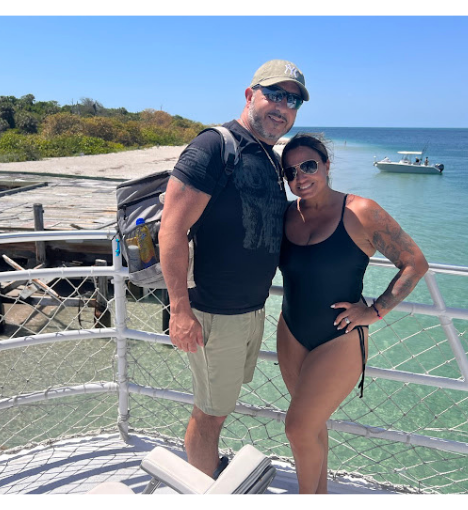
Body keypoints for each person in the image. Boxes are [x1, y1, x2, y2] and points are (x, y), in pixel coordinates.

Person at [158, 60, 310, 478]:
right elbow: (171, 228)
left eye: (292, 99)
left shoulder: (267, 155)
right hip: (213, 314)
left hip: (250, 311)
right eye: (274, 95)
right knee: (210, 414)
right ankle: (204, 482)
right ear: (249, 95)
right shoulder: (214, 146)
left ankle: (205, 468)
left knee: (218, 405)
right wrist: (179, 310)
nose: (283, 106)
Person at [277, 133, 429, 495]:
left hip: (339, 339)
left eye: (309, 166)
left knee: (297, 428)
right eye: (291, 172)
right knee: (311, 426)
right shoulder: (285, 214)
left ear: (327, 166)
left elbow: (414, 263)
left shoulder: (361, 211)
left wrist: (375, 311)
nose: (301, 177)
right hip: (291, 331)